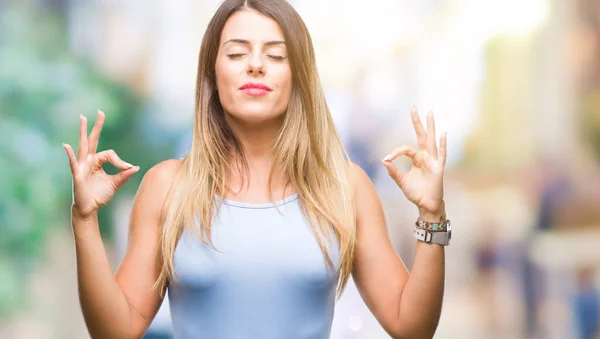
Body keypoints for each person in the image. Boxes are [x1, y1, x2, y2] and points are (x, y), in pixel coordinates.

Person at [62, 1, 450, 338]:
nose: (256, 66)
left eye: (276, 55)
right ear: (212, 74)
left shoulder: (345, 187)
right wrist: (85, 220)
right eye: (236, 54)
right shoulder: (167, 185)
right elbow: (116, 330)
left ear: (297, 75)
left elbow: (411, 326)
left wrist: (432, 215)